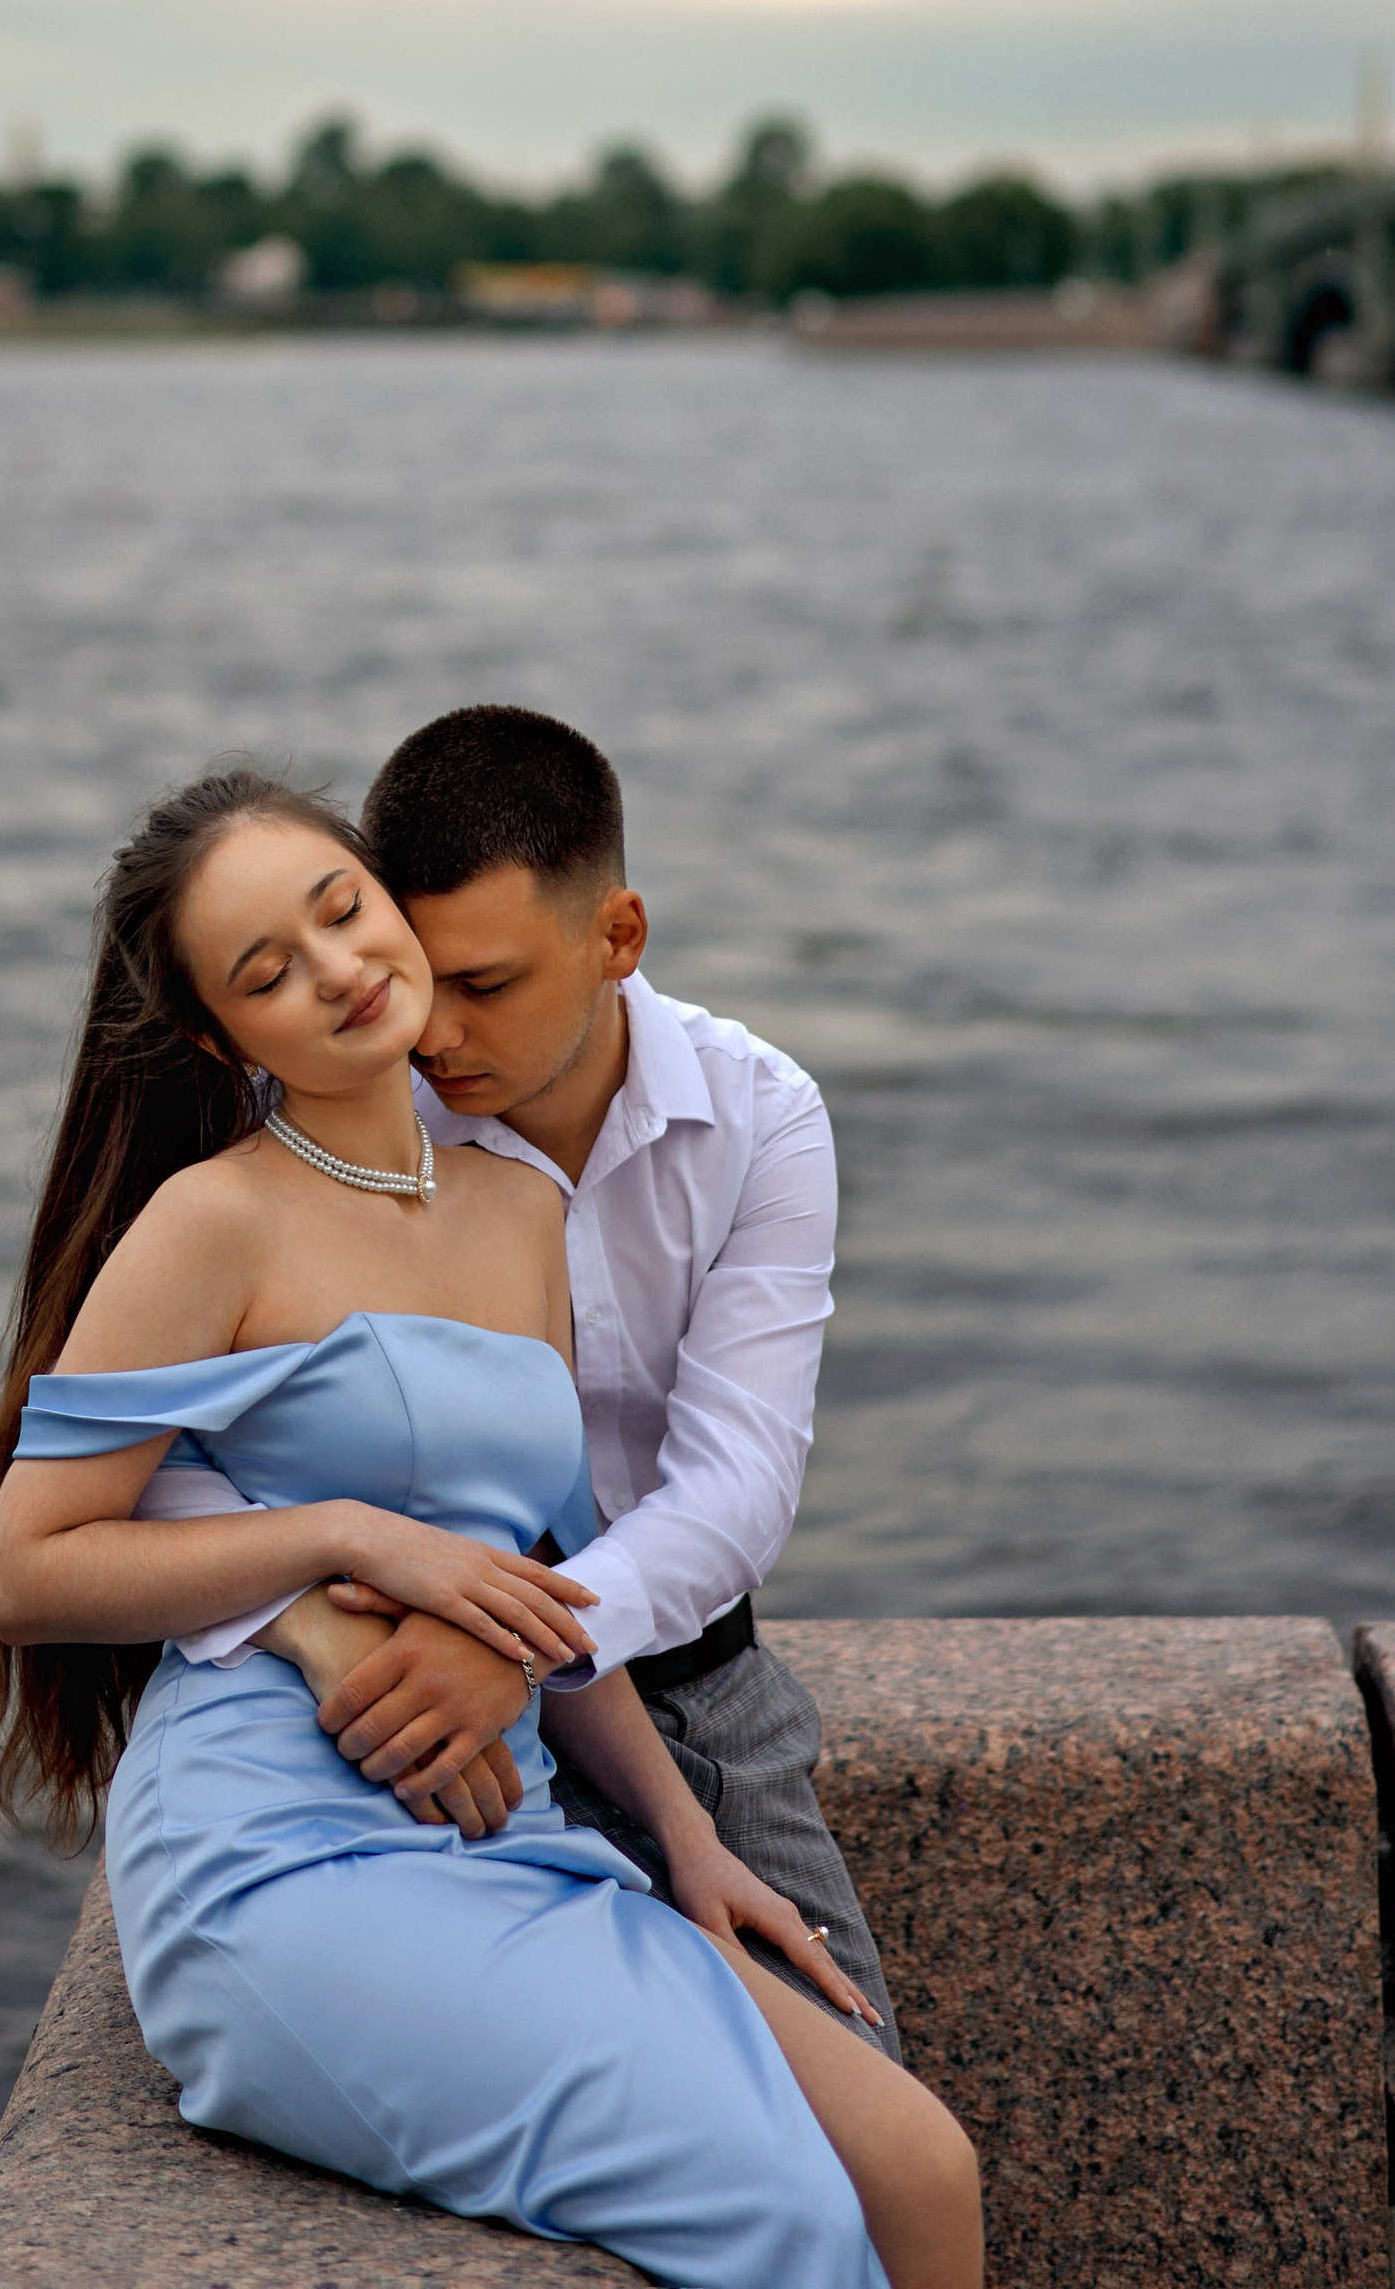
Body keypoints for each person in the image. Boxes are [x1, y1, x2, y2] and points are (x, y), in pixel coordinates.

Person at [0, 771, 983, 2289]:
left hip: (514, 1817)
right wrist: (347, 1541)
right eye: (267, 972)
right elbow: (25, 1566)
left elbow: (553, 1585)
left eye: (341, 909)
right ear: (216, 1037)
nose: (337, 968)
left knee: (918, 2170)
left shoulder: (518, 1206)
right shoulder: (212, 1221)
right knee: (781, 2215)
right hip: (280, 1844)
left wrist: (690, 1842)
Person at [153, 703, 900, 2051]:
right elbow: (150, 1459)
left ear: (619, 936)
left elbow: (735, 1489)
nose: (434, 1033)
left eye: (487, 986)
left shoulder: (760, 1117)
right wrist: (327, 1620)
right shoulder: (344, 1120)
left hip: (687, 1691)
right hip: (394, 1709)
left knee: (860, 2083)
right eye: (424, 977)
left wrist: (517, 1645)